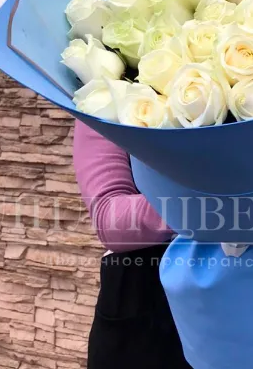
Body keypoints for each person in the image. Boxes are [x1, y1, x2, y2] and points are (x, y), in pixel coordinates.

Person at [73, 120, 191, 369]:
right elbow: (110, 219)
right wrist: (215, 205)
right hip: (146, 309)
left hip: (251, 296)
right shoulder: (102, 104)